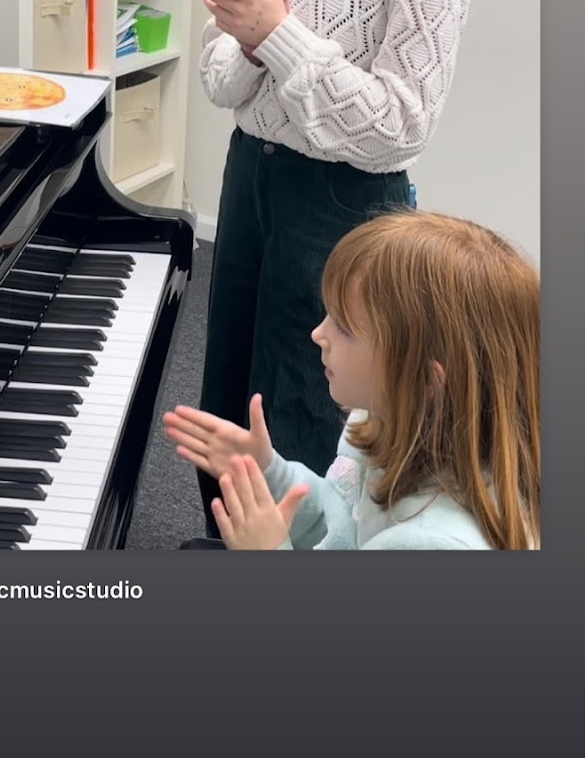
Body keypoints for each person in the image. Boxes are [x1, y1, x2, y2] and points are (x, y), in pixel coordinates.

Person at [189, 0, 473, 535]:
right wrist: (248, 43)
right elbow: (219, 83)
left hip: (346, 204)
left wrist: (279, 36)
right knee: (230, 393)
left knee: (314, 412)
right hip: (251, 176)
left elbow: (400, 126)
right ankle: (228, 545)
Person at [163, 211, 540, 551]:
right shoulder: (384, 420)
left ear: (424, 381)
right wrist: (268, 470)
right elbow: (340, 525)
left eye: (344, 327)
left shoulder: (430, 543)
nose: (318, 334)